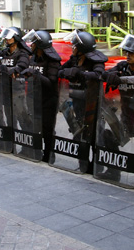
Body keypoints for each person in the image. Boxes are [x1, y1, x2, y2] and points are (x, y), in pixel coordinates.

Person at [99, 33, 134, 180]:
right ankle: (114, 171)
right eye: (127, 52)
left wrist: (119, 79)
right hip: (127, 113)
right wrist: (110, 76)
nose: (128, 55)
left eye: (132, 52)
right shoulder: (123, 66)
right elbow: (106, 73)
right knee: (109, 136)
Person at [59, 30, 107, 173]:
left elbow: (99, 74)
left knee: (95, 137)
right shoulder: (74, 59)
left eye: (75, 46)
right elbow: (60, 71)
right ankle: (83, 165)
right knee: (79, 135)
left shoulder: (96, 60)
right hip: (77, 103)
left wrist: (81, 74)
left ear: (82, 49)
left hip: (93, 104)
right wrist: (69, 72)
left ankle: (98, 167)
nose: (72, 48)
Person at [22, 30, 62, 162]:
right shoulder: (33, 58)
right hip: (34, 97)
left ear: (39, 46)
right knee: (34, 126)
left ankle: (49, 154)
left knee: (47, 128)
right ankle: (35, 151)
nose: (31, 46)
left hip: (48, 100)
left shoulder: (53, 60)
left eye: (33, 44)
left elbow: (51, 82)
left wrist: (35, 74)